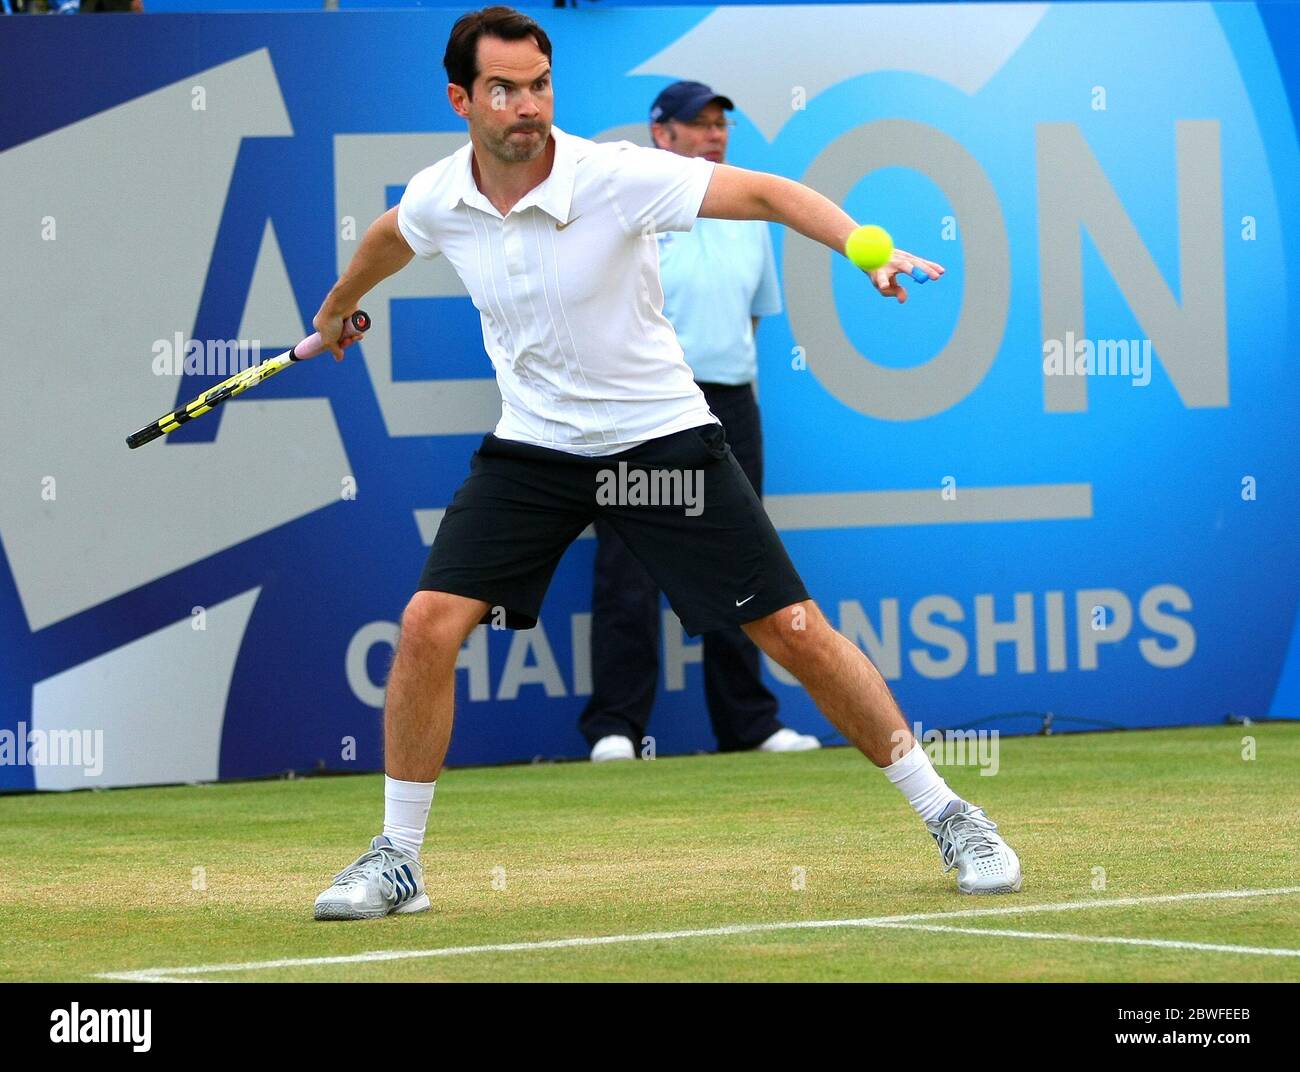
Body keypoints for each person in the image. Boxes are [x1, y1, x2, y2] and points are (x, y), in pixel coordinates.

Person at [311, 6, 1021, 921]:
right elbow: (388, 239)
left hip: (660, 438)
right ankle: (397, 858)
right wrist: (336, 310)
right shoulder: (441, 195)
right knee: (426, 625)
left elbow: (763, 193)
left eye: (539, 84)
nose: (527, 105)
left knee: (792, 632)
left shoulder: (614, 177)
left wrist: (859, 248)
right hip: (534, 447)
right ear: (461, 99)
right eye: (503, 89)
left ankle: (953, 814)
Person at [580, 80, 817, 763]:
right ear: (664, 135)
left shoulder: (748, 217)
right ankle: (616, 728)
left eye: (721, 123)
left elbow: (749, 317)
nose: (715, 133)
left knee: (742, 566)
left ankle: (748, 724)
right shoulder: (634, 207)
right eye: (699, 123)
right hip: (642, 406)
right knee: (628, 567)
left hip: (731, 404)